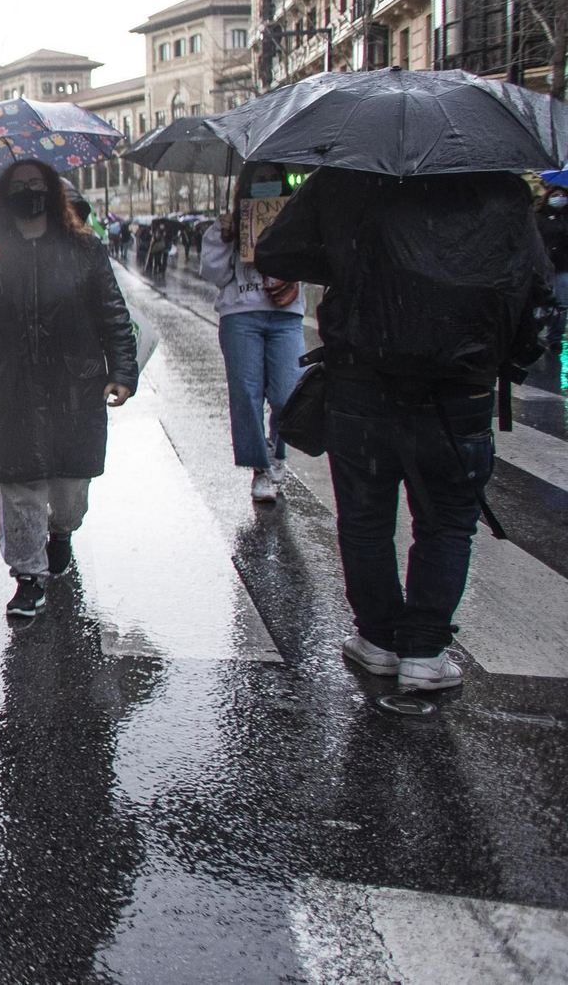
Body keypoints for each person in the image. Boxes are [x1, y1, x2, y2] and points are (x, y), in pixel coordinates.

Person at [256, 168, 551, 693]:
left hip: (362, 380)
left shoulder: (347, 178)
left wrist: (348, 259)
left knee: (365, 519)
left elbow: (276, 250)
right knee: (446, 522)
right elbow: (536, 284)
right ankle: (423, 651)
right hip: (461, 387)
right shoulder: (501, 188)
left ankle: (378, 639)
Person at [0, 159, 137, 618]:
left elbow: (113, 312)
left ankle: (62, 533)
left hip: (73, 384)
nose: (28, 191)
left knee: (70, 487)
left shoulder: (84, 249)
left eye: (37, 184)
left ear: (51, 191)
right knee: (20, 483)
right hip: (10, 386)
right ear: (3, 195)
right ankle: (27, 576)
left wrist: (123, 371)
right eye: (19, 185)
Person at [198, 162, 305, 503]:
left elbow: (313, 264)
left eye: (273, 179)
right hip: (240, 314)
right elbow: (213, 274)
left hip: (285, 316)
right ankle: (261, 468)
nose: (267, 185)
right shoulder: (225, 226)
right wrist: (226, 238)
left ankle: (277, 452)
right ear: (245, 185)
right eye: (259, 179)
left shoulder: (296, 219)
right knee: (246, 395)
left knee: (289, 394)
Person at [535, 178, 568, 347]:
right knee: (541, 302)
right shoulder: (539, 217)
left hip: (563, 266)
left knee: (561, 304)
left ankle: (555, 338)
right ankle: (535, 333)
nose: (560, 197)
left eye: (563, 195)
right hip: (544, 266)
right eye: (556, 195)